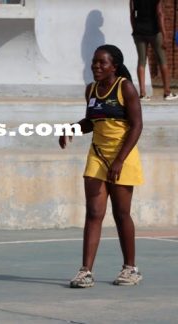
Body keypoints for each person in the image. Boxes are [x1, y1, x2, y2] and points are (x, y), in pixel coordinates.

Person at [60, 44, 143, 288]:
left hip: (122, 156)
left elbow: (137, 126)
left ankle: (130, 268)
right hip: (97, 155)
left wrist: (119, 160)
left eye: (101, 62)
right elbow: (92, 121)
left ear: (114, 67)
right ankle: (85, 271)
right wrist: (71, 128)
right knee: (94, 213)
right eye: (94, 62)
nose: (96, 66)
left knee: (121, 213)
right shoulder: (92, 90)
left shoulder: (125, 87)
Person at [130, 0, 178, 101]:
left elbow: (132, 14)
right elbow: (160, 14)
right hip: (154, 31)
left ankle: (142, 93)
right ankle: (167, 92)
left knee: (141, 61)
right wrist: (164, 35)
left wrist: (135, 29)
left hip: (139, 31)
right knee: (162, 61)